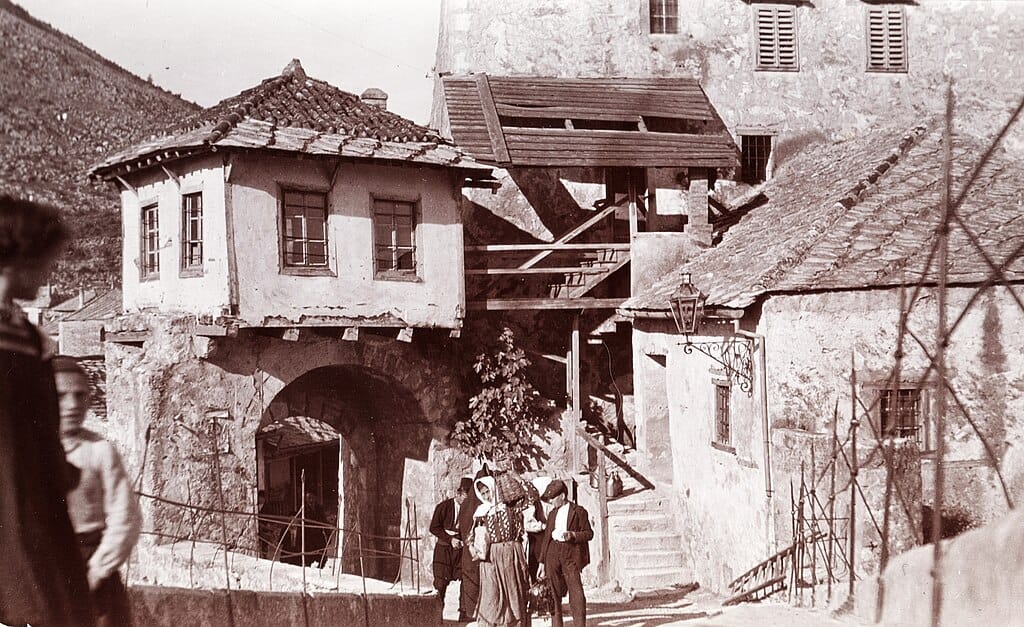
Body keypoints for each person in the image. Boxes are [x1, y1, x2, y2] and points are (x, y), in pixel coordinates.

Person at [0, 195, 95, 626]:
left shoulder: (30, 337)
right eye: (45, 260)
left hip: (33, 499)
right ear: (17, 259)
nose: (50, 272)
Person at [55, 355, 143, 627]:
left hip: (95, 573)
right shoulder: (26, 454)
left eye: (80, 395)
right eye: (60, 396)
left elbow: (125, 519)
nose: (71, 405)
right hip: (46, 570)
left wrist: (95, 572)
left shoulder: (99, 451)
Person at [472, 475, 530, 627]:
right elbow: (471, 536)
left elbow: (530, 496)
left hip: (512, 554)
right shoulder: (481, 512)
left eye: (488, 492)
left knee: (513, 591)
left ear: (494, 489)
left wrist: (517, 477)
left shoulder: (511, 507)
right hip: (491, 557)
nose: (486, 496)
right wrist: (474, 548)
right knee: (493, 594)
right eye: (483, 493)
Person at [538, 479, 594, 627]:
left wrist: (573, 535)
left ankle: (579, 624)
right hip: (553, 553)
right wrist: (542, 562)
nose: (551, 501)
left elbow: (589, 534)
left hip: (570, 552)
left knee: (576, 592)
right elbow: (547, 538)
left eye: (553, 497)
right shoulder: (552, 514)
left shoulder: (578, 511)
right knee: (553, 593)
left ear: (562, 496)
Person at [430, 477, 471, 611]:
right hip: (444, 551)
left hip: (460, 551)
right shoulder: (443, 507)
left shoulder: (470, 510)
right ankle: (437, 613)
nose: (467, 500)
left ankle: (464, 612)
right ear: (458, 494)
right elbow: (434, 528)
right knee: (440, 583)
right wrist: (450, 539)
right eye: (465, 496)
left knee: (466, 579)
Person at [458, 467, 489, 622]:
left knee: (469, 582)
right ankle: (472, 615)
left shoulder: (466, 505)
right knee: (474, 583)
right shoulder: (479, 507)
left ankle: (466, 613)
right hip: (474, 550)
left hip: (468, 550)